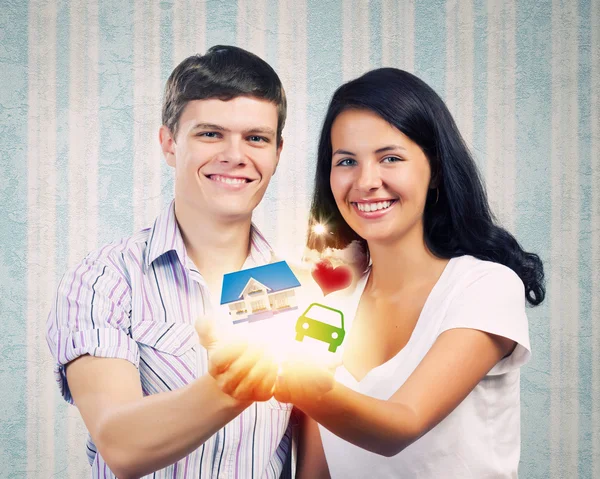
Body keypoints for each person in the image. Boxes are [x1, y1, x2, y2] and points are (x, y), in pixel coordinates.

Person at [270, 68, 546, 478]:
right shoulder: (331, 308)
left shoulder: (483, 286)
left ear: (434, 169)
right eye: (346, 161)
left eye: (390, 158)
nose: (366, 182)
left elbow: (401, 424)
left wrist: (289, 378)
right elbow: (314, 472)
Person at [45, 45, 295, 479]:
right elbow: (120, 444)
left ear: (277, 151)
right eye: (210, 134)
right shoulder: (105, 277)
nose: (236, 155)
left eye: (256, 138)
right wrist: (230, 388)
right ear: (168, 144)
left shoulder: (296, 287)